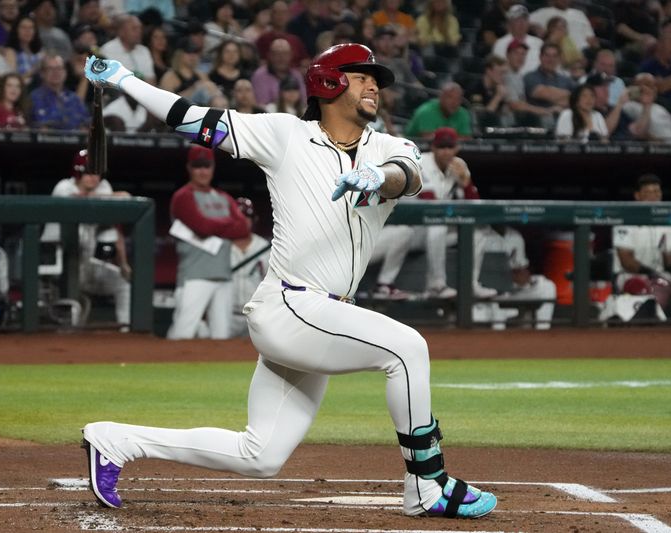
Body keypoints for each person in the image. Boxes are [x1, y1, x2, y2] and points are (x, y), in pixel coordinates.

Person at [81, 43, 497, 518]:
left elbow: (407, 175)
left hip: (324, 313)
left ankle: (115, 441)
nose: (374, 86)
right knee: (407, 349)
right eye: (361, 76)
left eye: (375, 79)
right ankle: (427, 482)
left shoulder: (389, 145)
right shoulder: (284, 135)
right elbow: (191, 117)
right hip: (291, 305)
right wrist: (123, 80)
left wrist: (376, 179)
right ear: (328, 83)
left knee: (260, 455)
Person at [369, 127, 497, 300]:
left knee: (479, 232)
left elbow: (475, 207)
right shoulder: (420, 163)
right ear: (433, 148)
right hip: (410, 230)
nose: (445, 152)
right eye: (441, 147)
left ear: (456, 148)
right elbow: (432, 205)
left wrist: (466, 183)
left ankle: (471, 285)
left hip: (433, 232)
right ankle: (436, 285)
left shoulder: (460, 166)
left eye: (449, 147)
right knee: (437, 225)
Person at [166, 145, 250, 340]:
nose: (203, 171)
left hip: (223, 275)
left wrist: (215, 226)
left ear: (212, 167)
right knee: (183, 333)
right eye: (198, 166)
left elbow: (244, 228)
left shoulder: (223, 197)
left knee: (221, 336)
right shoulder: (183, 196)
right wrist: (228, 225)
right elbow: (202, 227)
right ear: (190, 168)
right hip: (194, 276)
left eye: (206, 166)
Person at [42, 149, 132, 328]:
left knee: (122, 283)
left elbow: (125, 202)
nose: (93, 177)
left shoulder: (103, 187)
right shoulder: (63, 187)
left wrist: (123, 263)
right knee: (61, 319)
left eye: (97, 172)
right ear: (77, 173)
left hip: (86, 264)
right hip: (57, 268)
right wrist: (105, 198)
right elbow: (77, 201)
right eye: (88, 172)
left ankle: (125, 329)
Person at [612, 174, 671, 310]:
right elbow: (627, 261)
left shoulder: (666, 225)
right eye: (648, 192)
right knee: (647, 286)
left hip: (659, 277)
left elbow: (669, 262)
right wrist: (655, 275)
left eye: (656, 192)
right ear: (637, 196)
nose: (653, 196)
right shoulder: (626, 221)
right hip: (630, 277)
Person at [229, 197, 270, 337]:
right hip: (226, 316)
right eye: (238, 217)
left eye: (247, 216)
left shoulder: (264, 247)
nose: (242, 220)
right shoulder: (220, 246)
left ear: (254, 220)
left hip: (257, 315)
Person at [30, 53, 90, 130]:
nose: (56, 72)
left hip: (76, 140)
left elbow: (85, 123)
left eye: (59, 68)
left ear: (65, 72)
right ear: (42, 73)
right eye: (50, 69)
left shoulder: (74, 98)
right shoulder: (35, 98)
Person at [404, 81, 472, 138]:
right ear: (441, 97)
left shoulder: (462, 113)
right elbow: (428, 139)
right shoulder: (427, 111)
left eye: (458, 99)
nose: (454, 102)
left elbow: (465, 138)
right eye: (450, 97)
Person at [492, 4, 543, 75]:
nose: (521, 23)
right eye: (517, 20)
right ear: (509, 24)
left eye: (524, 20)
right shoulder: (500, 43)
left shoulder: (539, 43)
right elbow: (497, 69)